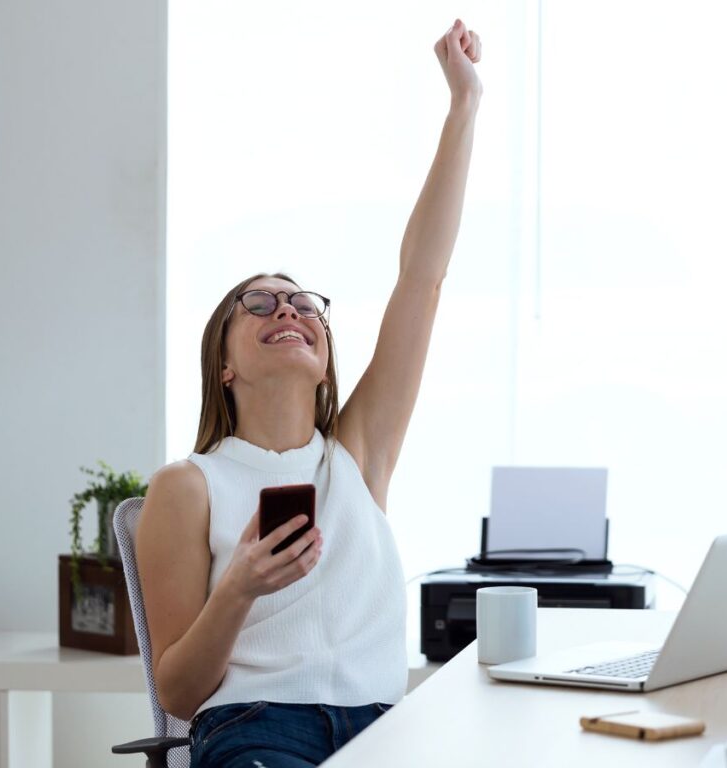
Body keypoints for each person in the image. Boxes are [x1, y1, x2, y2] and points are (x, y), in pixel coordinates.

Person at [136, 19, 483, 768]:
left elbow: (422, 277)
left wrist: (464, 106)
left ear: (324, 360)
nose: (286, 310)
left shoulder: (359, 455)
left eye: (301, 303)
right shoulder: (188, 487)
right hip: (258, 729)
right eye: (257, 306)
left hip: (386, 730)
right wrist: (238, 590)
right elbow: (179, 694)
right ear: (222, 364)